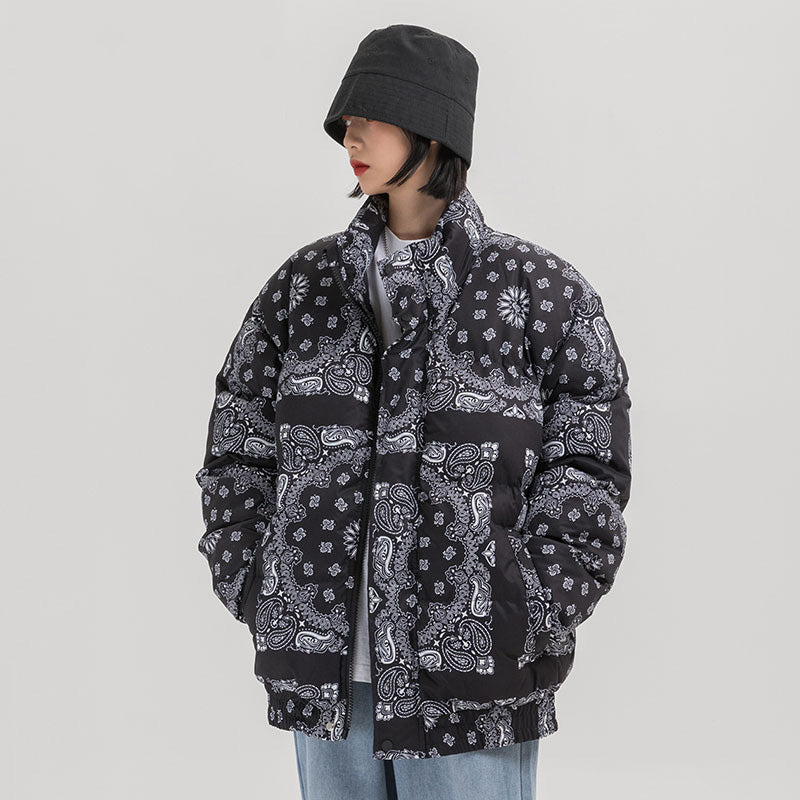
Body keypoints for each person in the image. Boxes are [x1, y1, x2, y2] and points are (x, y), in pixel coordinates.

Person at [195, 23, 632, 800]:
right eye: (345, 121)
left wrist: (527, 604)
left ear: (433, 130)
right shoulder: (301, 290)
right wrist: (261, 584)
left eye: (371, 117)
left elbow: (590, 467)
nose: (350, 136)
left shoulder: (541, 294)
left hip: (473, 682)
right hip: (324, 675)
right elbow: (238, 446)